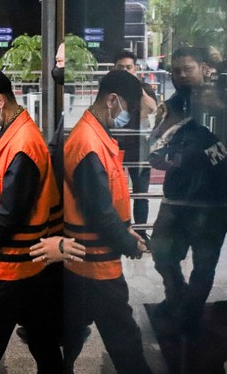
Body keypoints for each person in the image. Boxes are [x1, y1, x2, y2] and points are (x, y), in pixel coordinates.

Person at [0, 69, 69, 373]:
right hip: (31, 262)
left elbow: (11, 212)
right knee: (42, 338)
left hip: (15, 265)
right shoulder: (14, 135)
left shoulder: (23, 144)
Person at [62, 70, 150, 373]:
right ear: (112, 100)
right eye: (131, 109)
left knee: (72, 331)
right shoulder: (89, 142)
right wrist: (128, 242)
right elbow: (99, 211)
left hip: (86, 257)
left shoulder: (95, 134)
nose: (131, 117)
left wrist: (125, 228)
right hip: (96, 261)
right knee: (124, 338)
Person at [148, 47, 227, 338]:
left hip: (213, 201)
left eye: (188, 68)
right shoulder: (171, 105)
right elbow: (154, 148)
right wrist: (175, 158)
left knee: (204, 264)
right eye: (176, 70)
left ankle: (190, 311)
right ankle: (177, 298)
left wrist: (189, 157)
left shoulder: (222, 101)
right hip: (176, 199)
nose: (182, 74)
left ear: (203, 68)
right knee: (162, 255)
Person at [113, 50, 158, 247]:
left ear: (136, 68)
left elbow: (152, 109)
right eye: (121, 68)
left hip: (139, 146)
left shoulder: (145, 87)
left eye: (129, 67)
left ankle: (141, 232)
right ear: (115, 69)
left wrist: (137, 88)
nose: (125, 71)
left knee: (141, 193)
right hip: (115, 144)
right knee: (114, 191)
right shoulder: (110, 90)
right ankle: (118, 232)